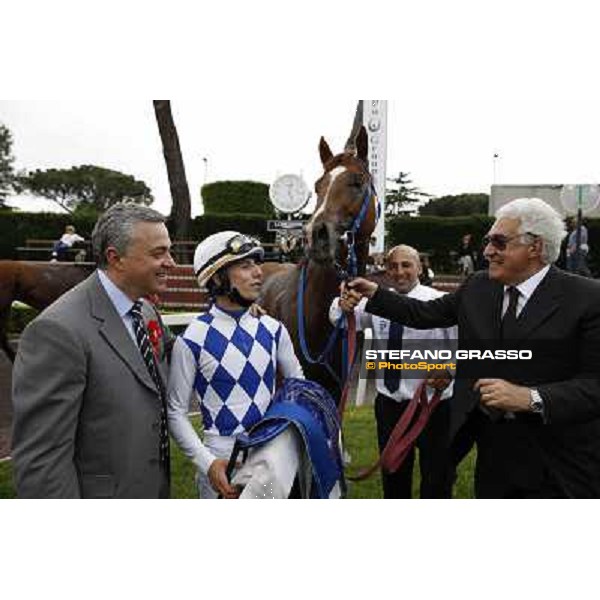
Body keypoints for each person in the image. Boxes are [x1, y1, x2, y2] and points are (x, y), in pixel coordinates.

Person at [342, 197, 600, 498]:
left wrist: (530, 398)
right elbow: (423, 314)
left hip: (558, 460)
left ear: (536, 248)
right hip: (491, 452)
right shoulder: (479, 286)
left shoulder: (587, 299)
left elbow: (594, 385)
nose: (488, 251)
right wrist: (375, 294)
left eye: (499, 242)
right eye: (488, 241)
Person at [12, 203, 175, 498]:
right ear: (116, 258)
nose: (171, 262)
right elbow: (42, 461)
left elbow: (180, 357)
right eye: (158, 253)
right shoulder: (56, 331)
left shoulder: (147, 311)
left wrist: (236, 314)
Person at [167, 231, 305, 499]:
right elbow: (175, 412)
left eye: (256, 264)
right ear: (218, 277)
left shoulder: (274, 329)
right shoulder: (192, 338)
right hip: (221, 461)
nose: (258, 273)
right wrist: (208, 464)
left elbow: (297, 387)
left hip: (273, 458)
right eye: (245, 265)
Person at [332, 245, 456, 498]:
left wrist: (450, 369)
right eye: (393, 266)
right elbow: (339, 318)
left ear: (420, 268)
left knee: (437, 478)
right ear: (386, 271)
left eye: (406, 265)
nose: (400, 272)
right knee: (393, 477)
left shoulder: (438, 301)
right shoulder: (378, 301)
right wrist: (343, 302)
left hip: (433, 406)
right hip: (390, 405)